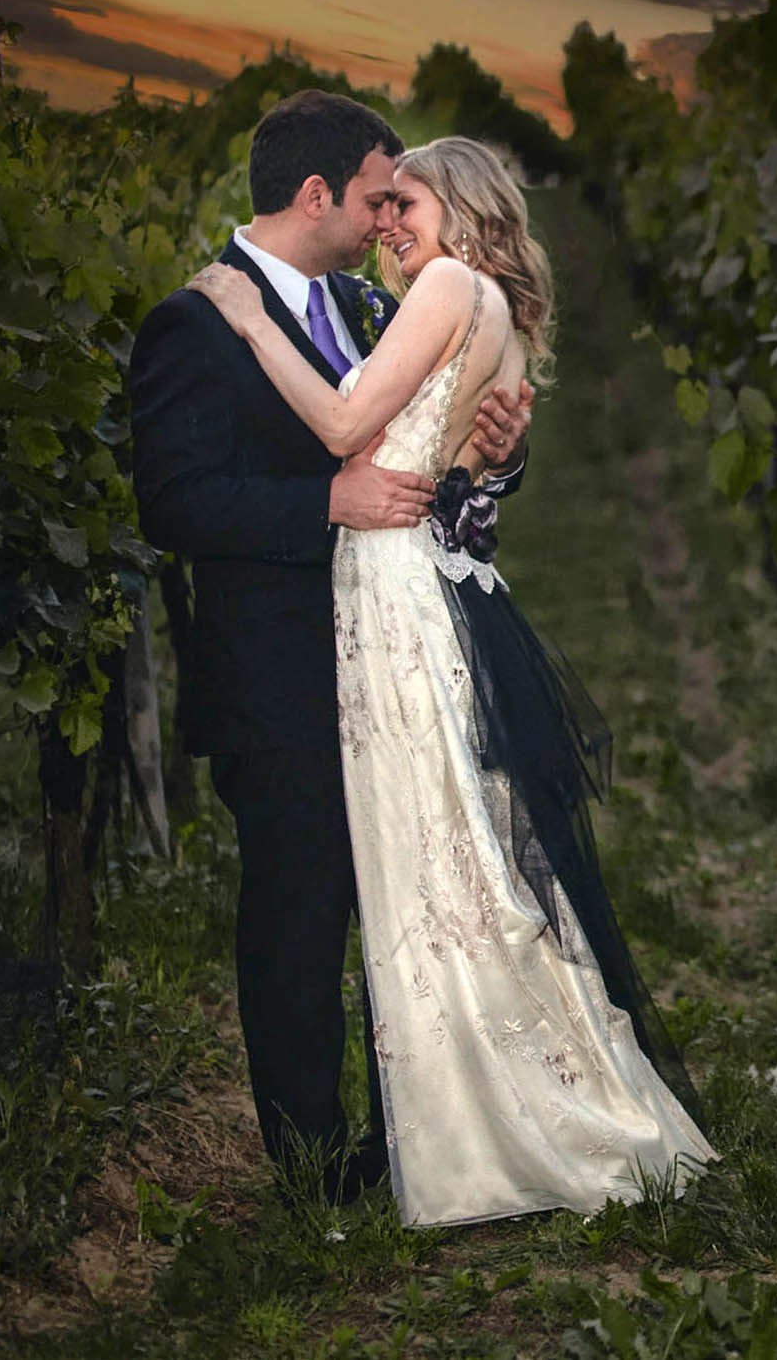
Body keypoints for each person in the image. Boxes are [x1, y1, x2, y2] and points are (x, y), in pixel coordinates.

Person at [186, 135, 716, 1227]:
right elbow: (463, 471)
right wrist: (496, 456)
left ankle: (480, 1128)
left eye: (408, 203)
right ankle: (484, 1110)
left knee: (435, 854)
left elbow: (346, 426)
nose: (389, 224)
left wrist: (246, 318)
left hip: (393, 590)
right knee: (450, 852)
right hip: (408, 582)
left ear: (463, 208)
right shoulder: (491, 311)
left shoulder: (443, 288)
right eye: (383, 207)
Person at [129, 93, 532, 1202]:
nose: (386, 221)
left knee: (408, 898)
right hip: (278, 674)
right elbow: (173, 503)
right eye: (373, 199)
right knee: (299, 918)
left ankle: (418, 1137)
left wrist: (497, 457)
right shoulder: (194, 322)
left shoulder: (372, 302)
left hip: (393, 656)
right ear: (316, 195)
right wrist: (325, 503)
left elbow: (431, 446)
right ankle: (313, 1170)